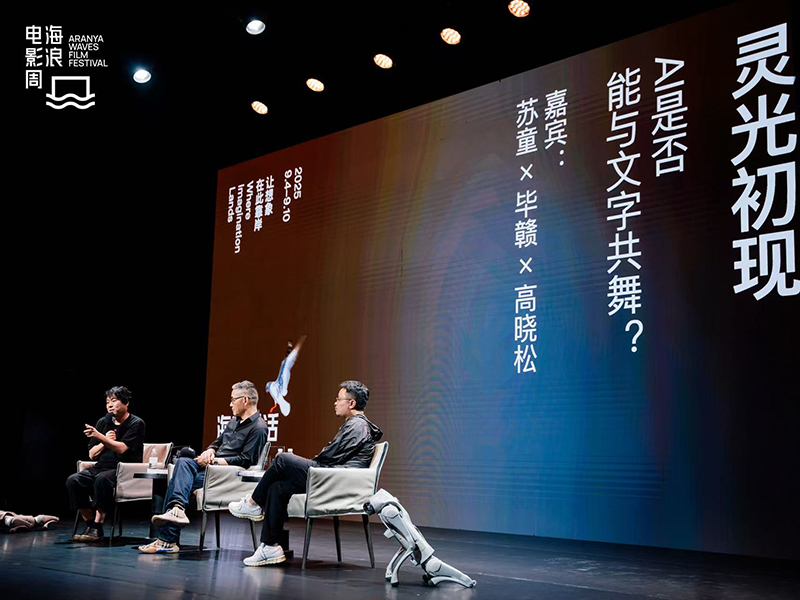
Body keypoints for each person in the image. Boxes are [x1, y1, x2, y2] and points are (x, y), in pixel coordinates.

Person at [229, 380, 382, 567]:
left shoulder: (358, 425)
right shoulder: (354, 424)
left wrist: (314, 462)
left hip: (335, 479)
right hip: (331, 475)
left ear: (351, 403)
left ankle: (253, 502)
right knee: (277, 488)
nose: (335, 403)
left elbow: (331, 456)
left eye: (338, 399)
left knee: (283, 459)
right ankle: (270, 546)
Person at [138, 380, 268, 554]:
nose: (230, 404)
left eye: (232, 400)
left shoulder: (259, 428)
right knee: (183, 461)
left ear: (244, 400)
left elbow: (246, 460)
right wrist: (209, 451)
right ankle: (176, 513)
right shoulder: (233, 422)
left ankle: (168, 538)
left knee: (177, 481)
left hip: (224, 475)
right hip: (209, 469)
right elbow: (217, 443)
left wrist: (214, 462)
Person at [66, 386, 145, 542]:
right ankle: (90, 525)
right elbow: (92, 454)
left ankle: (98, 525)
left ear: (126, 402)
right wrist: (103, 440)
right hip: (102, 466)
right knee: (73, 481)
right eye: (107, 401)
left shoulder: (136, 423)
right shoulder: (103, 422)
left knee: (102, 479)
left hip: (124, 469)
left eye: (114, 401)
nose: (110, 405)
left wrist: (101, 437)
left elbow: (122, 448)